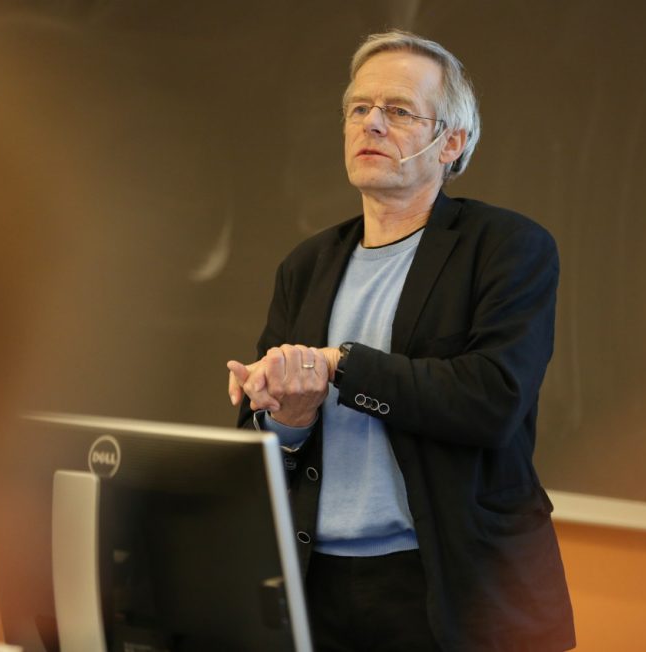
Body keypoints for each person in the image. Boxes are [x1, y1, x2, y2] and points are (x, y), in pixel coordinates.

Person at [227, 29, 575, 652]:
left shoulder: (506, 247)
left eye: (399, 110)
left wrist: (339, 365)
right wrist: (286, 418)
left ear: (452, 142)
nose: (372, 123)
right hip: (316, 581)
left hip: (456, 585)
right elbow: (262, 443)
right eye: (358, 108)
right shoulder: (306, 265)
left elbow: (492, 398)